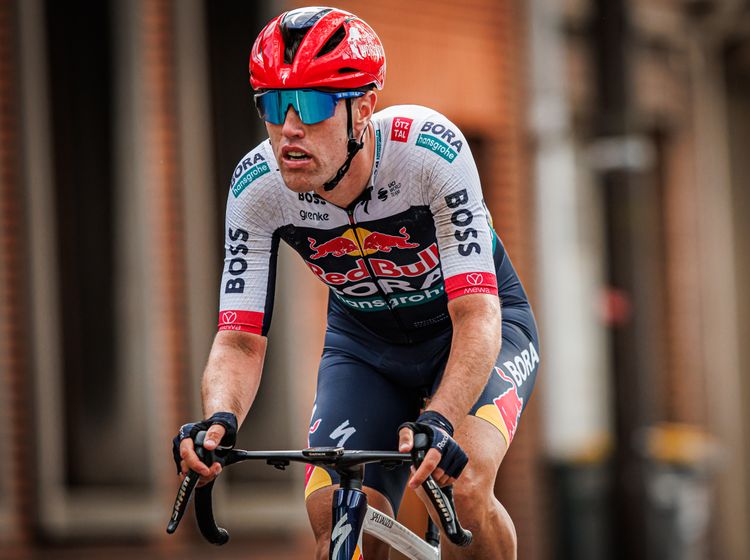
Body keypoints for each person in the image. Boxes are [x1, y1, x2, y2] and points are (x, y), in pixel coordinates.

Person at [173, 6, 539, 559]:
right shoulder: (257, 188)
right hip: (365, 348)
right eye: (273, 104)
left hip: (475, 329)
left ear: (363, 107)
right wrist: (220, 417)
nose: (289, 127)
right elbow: (239, 338)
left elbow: (477, 314)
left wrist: (438, 419)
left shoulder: (429, 152)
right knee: (337, 516)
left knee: (461, 484)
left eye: (313, 103)